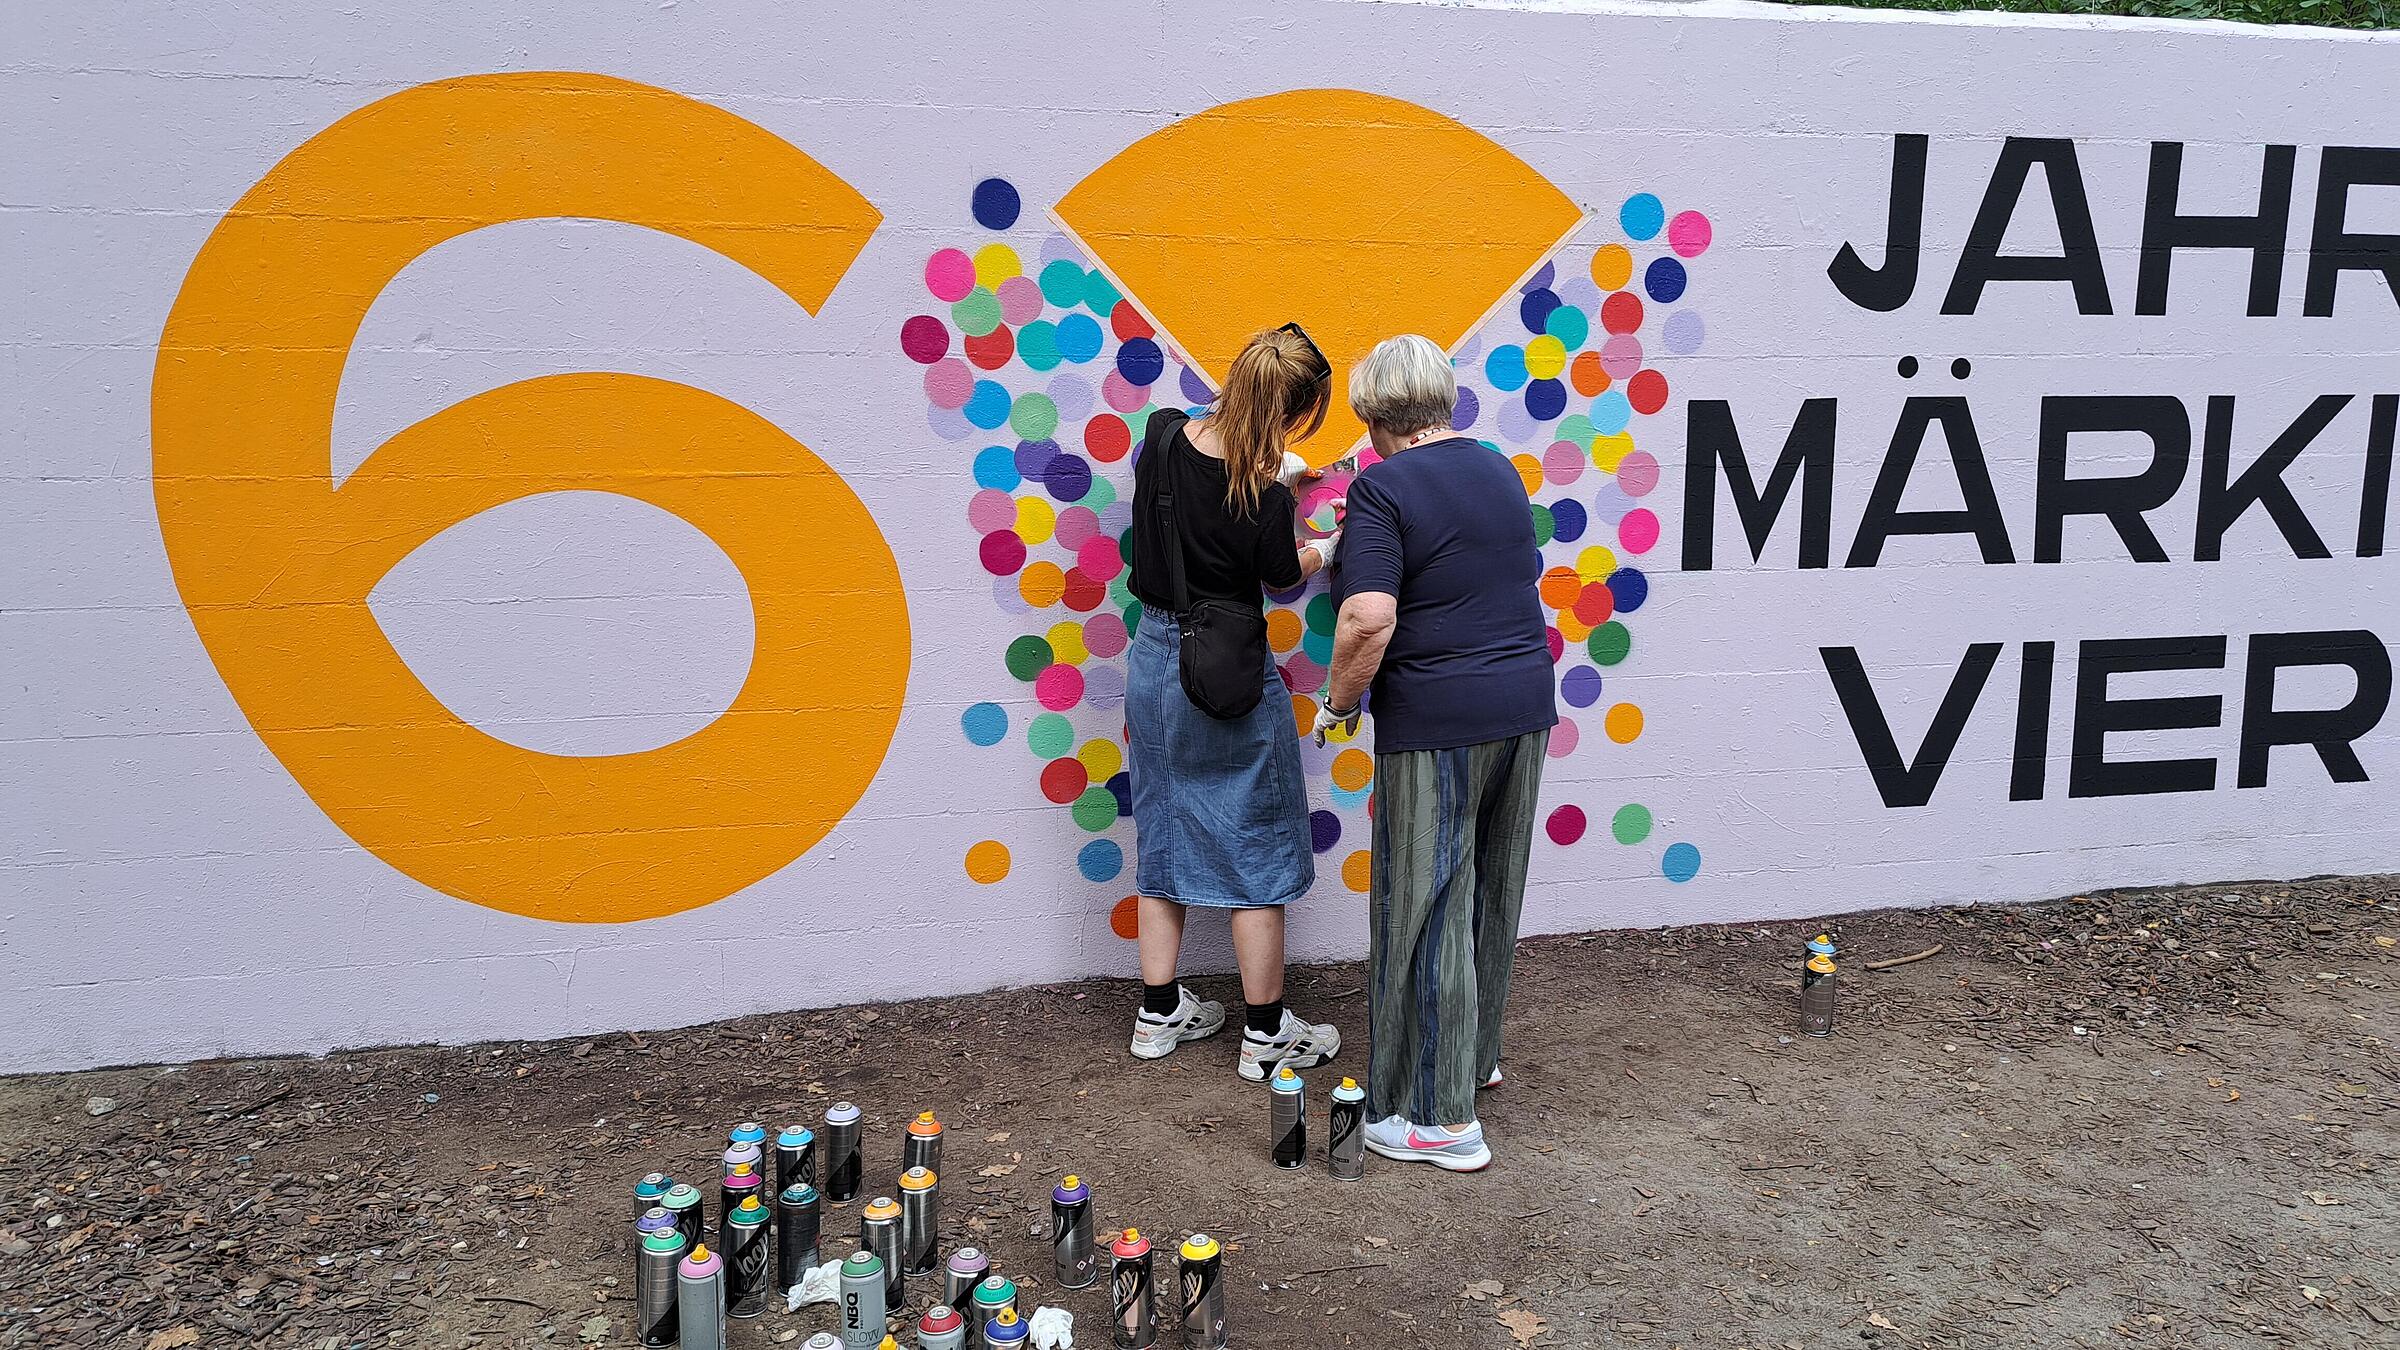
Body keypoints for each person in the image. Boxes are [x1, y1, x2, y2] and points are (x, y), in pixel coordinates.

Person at [1315, 334, 1557, 1171]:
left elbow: (1366, 618)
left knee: (1424, 907)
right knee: (1491, 888)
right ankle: (1471, 1058)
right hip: (1525, 703)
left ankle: (1435, 1116)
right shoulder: (1499, 469)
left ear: (1378, 418)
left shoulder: (1381, 486)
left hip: (1438, 718)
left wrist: (1340, 705)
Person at [1123, 324, 1346, 1081]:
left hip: (1153, 659)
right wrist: (1330, 543)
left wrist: (1277, 467)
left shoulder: (1158, 436)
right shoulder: (1261, 496)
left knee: (1164, 821)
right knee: (1257, 837)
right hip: (1224, 673)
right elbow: (1285, 573)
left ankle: (1157, 1014)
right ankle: (1265, 1034)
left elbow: (1200, 470)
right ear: (1296, 414)